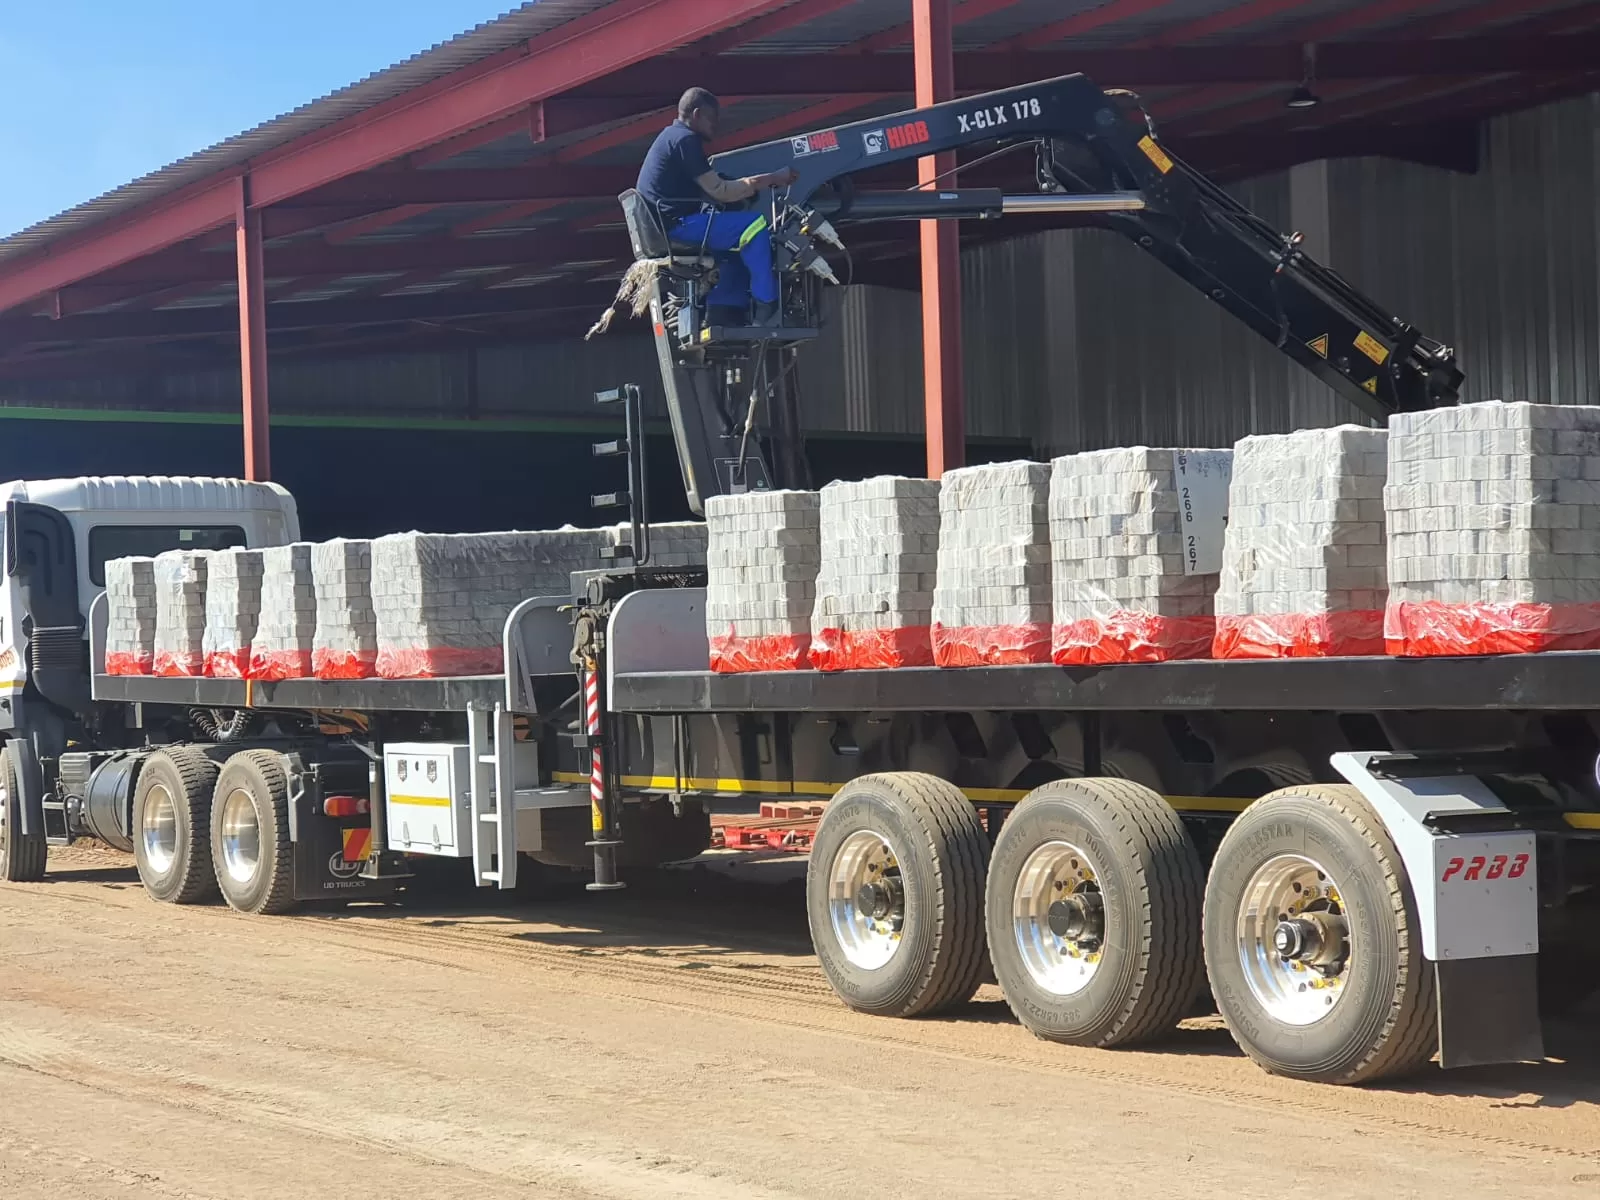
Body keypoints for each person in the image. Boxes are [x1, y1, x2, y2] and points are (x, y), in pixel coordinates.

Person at [635, 87, 799, 325]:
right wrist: (772, 178)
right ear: (697, 114)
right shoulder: (685, 140)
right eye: (712, 118)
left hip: (665, 227)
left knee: (733, 247)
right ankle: (768, 302)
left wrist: (741, 188)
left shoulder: (669, 137)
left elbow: (705, 187)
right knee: (754, 226)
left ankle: (723, 313)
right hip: (678, 226)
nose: (716, 125)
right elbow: (720, 191)